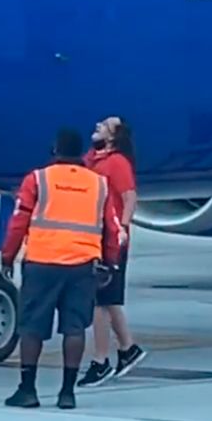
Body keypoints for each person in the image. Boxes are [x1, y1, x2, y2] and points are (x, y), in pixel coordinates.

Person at [0, 129, 124, 410]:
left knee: (32, 327)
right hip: (82, 266)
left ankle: (27, 389)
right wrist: (111, 262)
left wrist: (8, 256)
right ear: (81, 153)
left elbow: (19, 221)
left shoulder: (38, 179)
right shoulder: (99, 184)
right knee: (74, 328)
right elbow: (112, 229)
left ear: (54, 150)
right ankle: (67, 392)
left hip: (42, 263)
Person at [77, 116, 147, 386]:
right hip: (95, 234)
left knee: (100, 301)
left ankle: (101, 360)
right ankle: (128, 349)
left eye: (105, 125)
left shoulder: (117, 163)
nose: (97, 125)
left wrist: (124, 228)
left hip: (111, 236)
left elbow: (129, 197)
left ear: (114, 136)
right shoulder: (92, 159)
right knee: (108, 299)